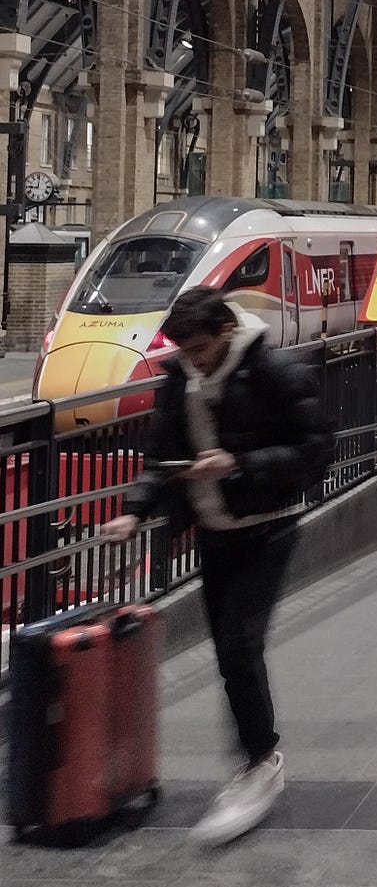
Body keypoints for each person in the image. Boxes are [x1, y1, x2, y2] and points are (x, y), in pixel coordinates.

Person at [102, 287, 331, 846]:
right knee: (230, 652)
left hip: (268, 528)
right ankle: (254, 761)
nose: (192, 361)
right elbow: (160, 456)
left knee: (237, 644)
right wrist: (134, 512)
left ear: (228, 330)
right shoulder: (180, 377)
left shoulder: (276, 373)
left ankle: (260, 762)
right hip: (214, 532)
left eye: (200, 349)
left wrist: (239, 464)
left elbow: (317, 450)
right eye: (184, 352)